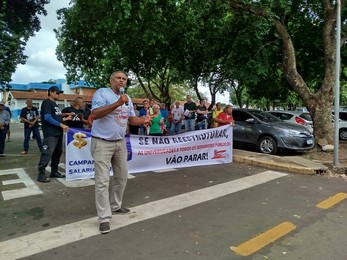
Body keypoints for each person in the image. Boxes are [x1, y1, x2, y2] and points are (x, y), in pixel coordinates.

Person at [90, 71, 151, 234]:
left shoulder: (128, 98)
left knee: (122, 176)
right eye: (118, 78)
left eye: (124, 79)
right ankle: (104, 218)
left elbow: (131, 119)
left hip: (120, 142)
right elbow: (95, 114)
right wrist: (117, 103)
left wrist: (144, 120)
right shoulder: (102, 93)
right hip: (102, 143)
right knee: (102, 181)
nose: (121, 81)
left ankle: (115, 206)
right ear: (111, 80)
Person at [37, 86, 74, 183]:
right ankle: (41, 174)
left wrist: (65, 119)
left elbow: (56, 117)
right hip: (50, 133)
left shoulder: (55, 104)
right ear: (51, 93)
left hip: (58, 132)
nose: (59, 95)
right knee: (47, 153)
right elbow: (47, 118)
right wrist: (61, 124)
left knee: (57, 152)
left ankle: (54, 171)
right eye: (57, 93)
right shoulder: (47, 103)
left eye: (59, 93)